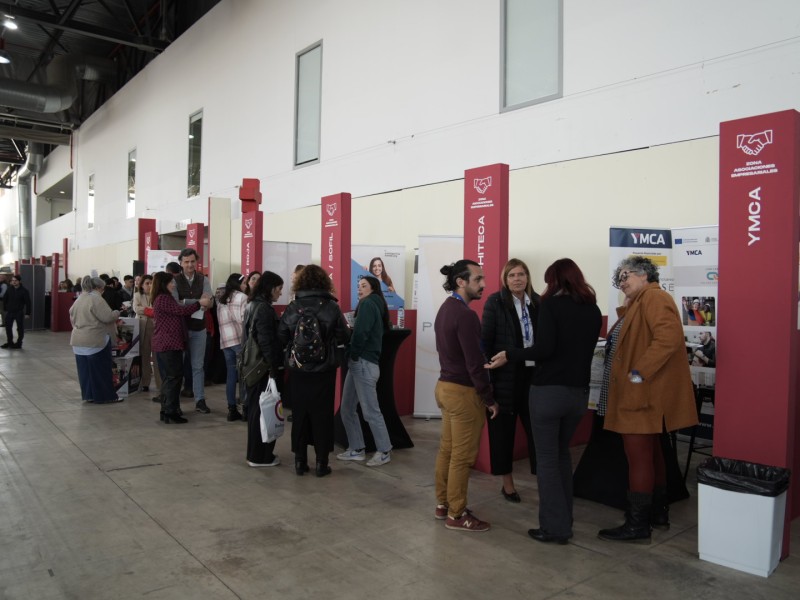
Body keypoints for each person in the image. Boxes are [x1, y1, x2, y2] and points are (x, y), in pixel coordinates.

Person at [488, 259, 602, 544]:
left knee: (549, 461)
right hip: (579, 395)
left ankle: (555, 528)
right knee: (561, 456)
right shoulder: (593, 310)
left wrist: (510, 354)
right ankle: (564, 520)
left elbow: (544, 349)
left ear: (554, 281)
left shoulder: (550, 305)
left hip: (548, 393)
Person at [597, 257, 698, 543]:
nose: (622, 282)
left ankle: (638, 525)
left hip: (642, 397)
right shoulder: (639, 303)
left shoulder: (654, 297)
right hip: (642, 397)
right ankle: (658, 514)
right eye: (619, 279)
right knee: (652, 455)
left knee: (639, 458)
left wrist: (639, 372)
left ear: (644, 275)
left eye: (626, 276)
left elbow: (668, 338)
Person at [433, 259, 499, 532]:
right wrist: (489, 397)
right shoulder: (465, 315)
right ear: (461, 282)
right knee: (461, 456)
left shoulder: (446, 309)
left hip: (445, 388)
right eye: (478, 279)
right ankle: (457, 515)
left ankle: (444, 505)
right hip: (463, 393)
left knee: (448, 450)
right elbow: (475, 363)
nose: (483, 284)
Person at [278, 264, 350, 477]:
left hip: (298, 369)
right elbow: (344, 336)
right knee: (322, 414)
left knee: (300, 414)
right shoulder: (331, 307)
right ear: (323, 282)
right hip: (324, 369)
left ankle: (300, 462)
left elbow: (281, 336)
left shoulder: (292, 307)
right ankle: (321, 463)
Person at [481, 258, 539, 503]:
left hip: (533, 376)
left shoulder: (537, 302)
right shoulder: (495, 302)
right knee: (503, 432)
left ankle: (543, 480)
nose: (517, 279)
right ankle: (507, 484)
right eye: (512, 275)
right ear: (505, 280)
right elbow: (485, 340)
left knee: (538, 430)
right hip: (504, 375)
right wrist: (488, 377)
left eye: (521, 274)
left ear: (528, 277)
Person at [337, 275, 394, 467]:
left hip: (363, 363)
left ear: (373, 288)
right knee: (347, 408)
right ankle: (356, 449)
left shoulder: (368, 304)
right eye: (358, 286)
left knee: (370, 411)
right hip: (361, 363)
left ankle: (384, 451)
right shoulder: (374, 304)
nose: (359, 289)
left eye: (363, 286)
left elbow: (361, 333)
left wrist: (353, 354)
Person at [151, 271, 212, 424]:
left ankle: (166, 410)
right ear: (164, 284)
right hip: (169, 344)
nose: (174, 285)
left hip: (168, 343)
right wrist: (199, 303)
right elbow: (181, 311)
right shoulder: (164, 298)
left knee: (170, 379)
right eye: (171, 282)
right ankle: (171, 412)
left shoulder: (162, 298)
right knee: (173, 378)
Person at [244, 272, 285, 467]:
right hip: (261, 368)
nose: (280, 293)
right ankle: (260, 456)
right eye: (278, 289)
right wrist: (274, 367)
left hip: (253, 367)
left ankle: (256, 454)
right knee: (263, 412)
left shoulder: (253, 304)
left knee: (257, 411)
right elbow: (265, 341)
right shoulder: (264, 309)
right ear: (270, 288)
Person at [69, 276, 122, 403]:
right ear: (99, 288)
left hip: (78, 341)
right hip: (95, 341)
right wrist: (117, 312)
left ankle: (89, 395)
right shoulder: (96, 299)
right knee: (101, 372)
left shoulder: (80, 298)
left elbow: (71, 315)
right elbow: (107, 317)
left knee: (85, 373)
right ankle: (106, 397)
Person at [173, 248, 214, 413]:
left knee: (198, 366)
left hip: (199, 328)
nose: (190, 265)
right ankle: (174, 402)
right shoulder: (174, 280)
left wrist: (188, 301)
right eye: (186, 262)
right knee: (177, 367)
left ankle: (200, 400)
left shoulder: (203, 279)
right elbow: (176, 303)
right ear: (181, 263)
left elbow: (209, 302)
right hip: (179, 329)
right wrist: (199, 301)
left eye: (192, 261)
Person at [217, 273, 248, 421]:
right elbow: (243, 320)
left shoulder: (222, 299)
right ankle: (246, 409)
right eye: (244, 283)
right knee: (244, 376)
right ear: (238, 283)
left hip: (225, 342)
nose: (246, 286)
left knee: (231, 376)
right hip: (239, 341)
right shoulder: (242, 297)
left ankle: (232, 409)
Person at [132, 274, 160, 394]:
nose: (149, 285)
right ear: (142, 285)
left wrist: (146, 310)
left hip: (155, 329)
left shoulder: (157, 296)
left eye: (151, 283)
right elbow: (136, 309)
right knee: (144, 357)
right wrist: (149, 310)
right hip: (143, 329)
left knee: (157, 357)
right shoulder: (137, 295)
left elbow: (158, 311)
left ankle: (160, 383)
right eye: (147, 283)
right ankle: (145, 383)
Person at [3, 274, 32, 349]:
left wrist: (28, 313)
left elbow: (28, 302)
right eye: (13, 281)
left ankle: (19, 343)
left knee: (20, 328)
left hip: (19, 312)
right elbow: (5, 299)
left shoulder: (24, 291)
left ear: (19, 281)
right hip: (10, 312)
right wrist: (5, 309)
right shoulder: (9, 289)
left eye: (15, 281)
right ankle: (10, 342)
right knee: (8, 327)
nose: (14, 282)